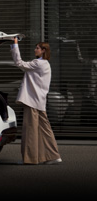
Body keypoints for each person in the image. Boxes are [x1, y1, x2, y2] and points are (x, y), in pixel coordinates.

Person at [10, 37, 62, 165]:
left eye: (37, 48)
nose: (35, 50)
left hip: (32, 102)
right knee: (45, 130)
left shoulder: (38, 63)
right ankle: (54, 156)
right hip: (40, 102)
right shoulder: (46, 64)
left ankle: (30, 159)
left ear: (43, 50)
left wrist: (15, 45)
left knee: (30, 131)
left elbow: (19, 63)